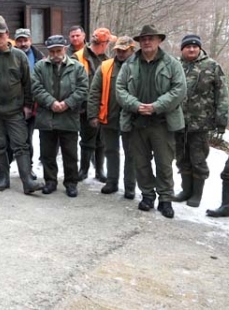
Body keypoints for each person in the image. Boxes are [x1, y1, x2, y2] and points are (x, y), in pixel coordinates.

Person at [116, 25, 186, 219]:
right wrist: (136, 105)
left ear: (159, 41)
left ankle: (165, 199)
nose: (147, 41)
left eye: (151, 38)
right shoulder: (130, 64)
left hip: (162, 122)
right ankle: (147, 195)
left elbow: (179, 90)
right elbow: (120, 89)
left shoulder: (172, 63)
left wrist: (156, 106)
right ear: (139, 42)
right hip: (137, 122)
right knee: (141, 163)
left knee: (164, 163)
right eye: (144, 39)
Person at [0, 16, 43, 194]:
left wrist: (28, 105)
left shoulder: (19, 57)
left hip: (15, 111)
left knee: (21, 145)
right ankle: (4, 177)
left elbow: (28, 83)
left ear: (7, 34)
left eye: (0, 35)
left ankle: (27, 181)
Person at [173, 35, 228, 207]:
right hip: (178, 121)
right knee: (181, 158)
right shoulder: (175, 65)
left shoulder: (211, 66)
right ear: (182, 49)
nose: (191, 49)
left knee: (198, 159)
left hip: (201, 123)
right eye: (188, 46)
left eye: (195, 47)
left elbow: (222, 94)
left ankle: (196, 194)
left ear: (200, 49)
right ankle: (186, 190)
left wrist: (221, 119)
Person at [32, 35, 88, 197]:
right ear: (48, 51)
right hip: (46, 117)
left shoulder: (77, 68)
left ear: (65, 49)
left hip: (69, 117)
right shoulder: (40, 67)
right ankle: (50, 181)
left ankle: (71, 183)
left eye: (59, 51)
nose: (56, 55)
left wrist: (67, 103)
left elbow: (83, 89)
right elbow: (36, 87)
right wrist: (51, 103)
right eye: (52, 51)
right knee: (47, 153)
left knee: (70, 153)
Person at [87, 36, 137, 198]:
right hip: (109, 116)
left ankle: (130, 186)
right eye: (118, 50)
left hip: (132, 118)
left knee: (131, 153)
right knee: (110, 151)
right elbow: (95, 92)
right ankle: (112, 182)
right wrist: (93, 114)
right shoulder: (106, 66)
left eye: (124, 50)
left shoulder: (139, 66)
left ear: (132, 50)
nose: (121, 53)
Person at [73, 27, 116, 183]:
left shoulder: (107, 59)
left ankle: (99, 170)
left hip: (103, 106)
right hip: (83, 107)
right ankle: (83, 170)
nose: (108, 46)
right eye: (107, 43)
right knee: (86, 140)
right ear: (102, 43)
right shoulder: (78, 57)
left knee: (101, 140)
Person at [13, 28, 44, 179]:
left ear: (30, 40)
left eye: (25, 40)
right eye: (19, 40)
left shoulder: (39, 58)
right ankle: (4, 167)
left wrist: (31, 106)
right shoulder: (10, 55)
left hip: (31, 106)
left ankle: (28, 167)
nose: (23, 43)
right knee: (7, 139)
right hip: (11, 105)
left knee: (27, 139)